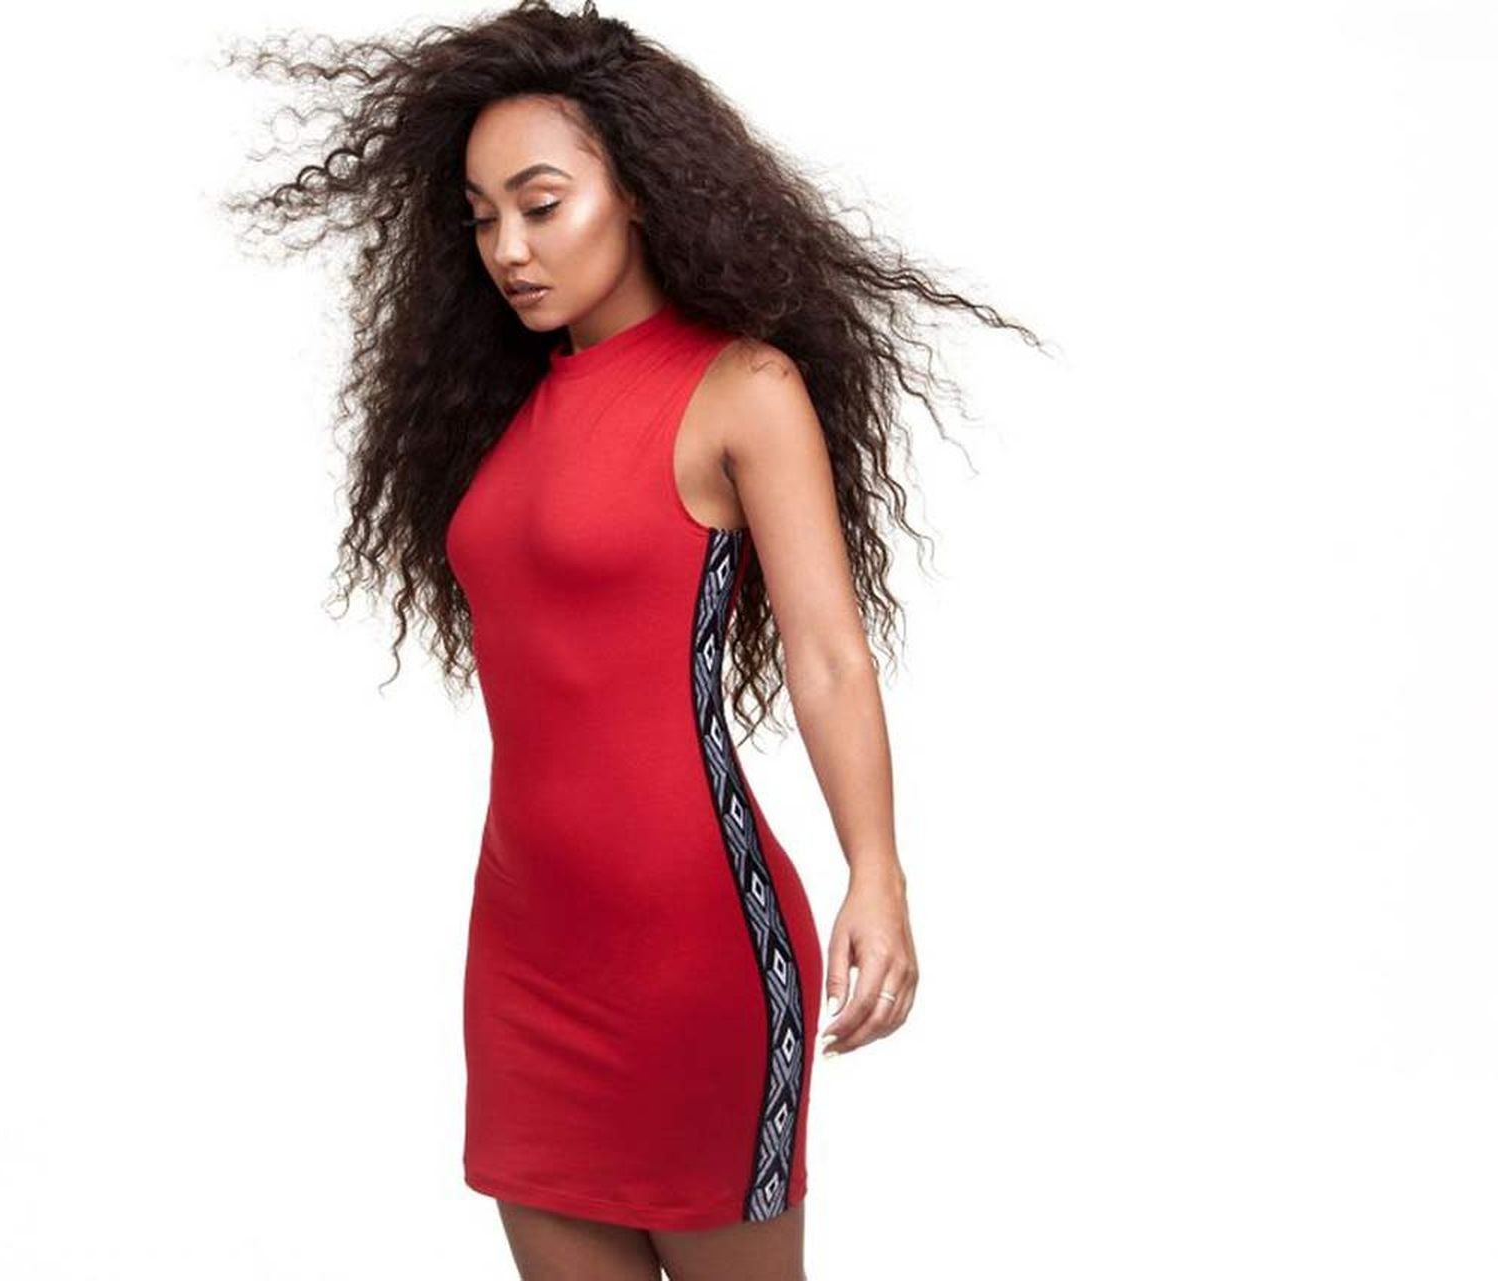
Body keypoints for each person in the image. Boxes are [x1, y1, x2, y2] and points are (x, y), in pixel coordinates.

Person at [224, 3, 1039, 1276]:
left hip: (692, 946)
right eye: (482, 216)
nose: (509, 247)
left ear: (643, 191)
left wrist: (875, 872)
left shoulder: (742, 390)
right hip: (524, 948)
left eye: (542, 204)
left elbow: (828, 654)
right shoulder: (503, 414)